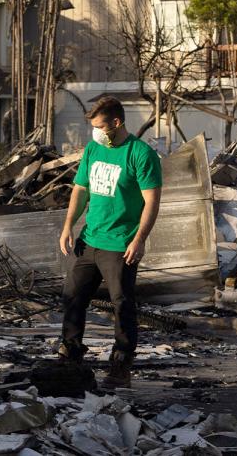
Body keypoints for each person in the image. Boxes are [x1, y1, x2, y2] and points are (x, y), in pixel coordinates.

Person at [57, 96, 162, 389]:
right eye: (93, 127)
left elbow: (152, 202)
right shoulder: (93, 149)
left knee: (122, 304)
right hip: (90, 239)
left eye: (101, 126)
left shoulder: (140, 154)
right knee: (72, 297)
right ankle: (70, 353)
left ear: (116, 123)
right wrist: (68, 226)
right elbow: (80, 190)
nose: (96, 132)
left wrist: (139, 239)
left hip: (120, 244)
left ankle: (121, 362)